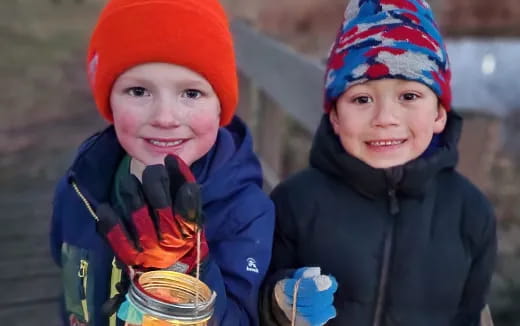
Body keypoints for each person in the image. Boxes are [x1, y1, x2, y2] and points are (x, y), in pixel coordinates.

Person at [260, 0, 497, 325]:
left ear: (439, 113)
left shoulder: (471, 214)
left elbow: (468, 315)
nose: (385, 118)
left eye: (409, 97)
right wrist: (280, 300)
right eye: (362, 99)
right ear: (335, 118)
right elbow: (259, 299)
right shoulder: (294, 203)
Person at [49, 0, 275, 325]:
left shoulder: (244, 211)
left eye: (191, 93)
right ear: (108, 100)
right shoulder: (79, 187)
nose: (165, 118)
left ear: (219, 106)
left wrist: (184, 276)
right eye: (138, 91)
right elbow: (70, 285)